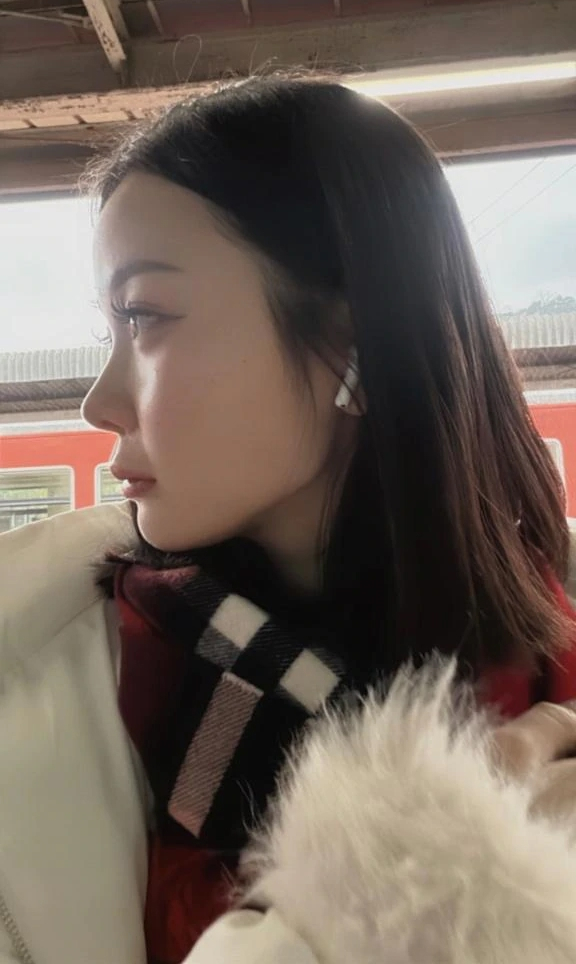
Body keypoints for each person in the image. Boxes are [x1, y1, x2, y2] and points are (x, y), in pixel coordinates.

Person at [1, 77, 576, 964]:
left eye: (144, 316)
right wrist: (396, 887)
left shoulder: (554, 664)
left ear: (351, 348)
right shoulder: (40, 685)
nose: (97, 401)